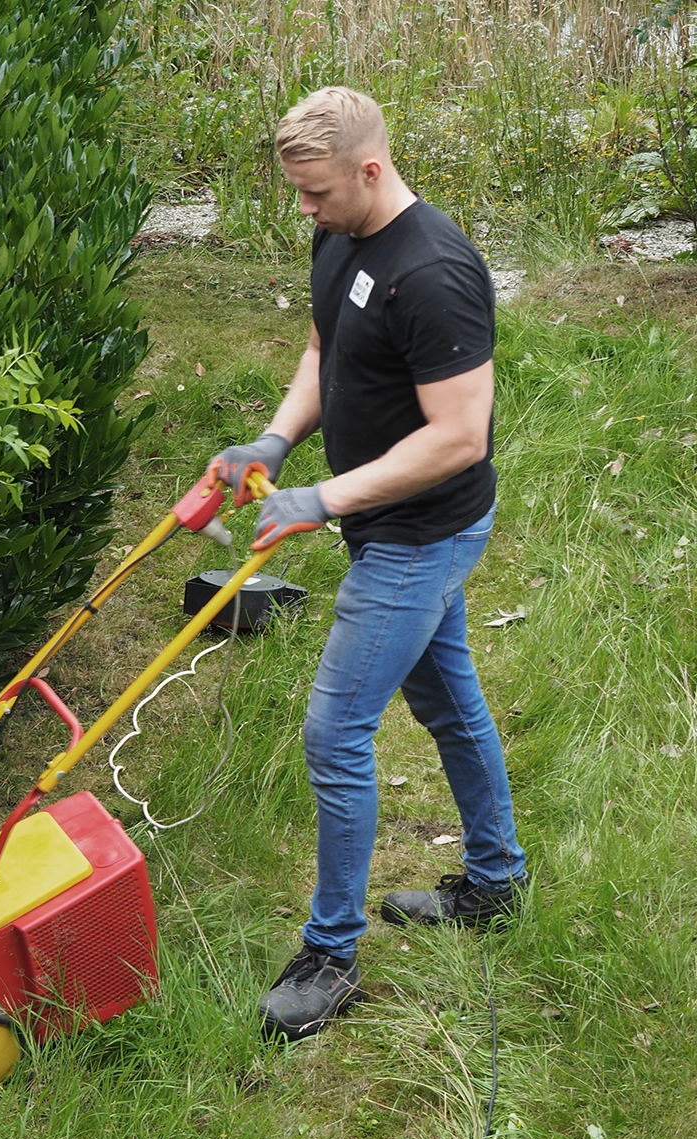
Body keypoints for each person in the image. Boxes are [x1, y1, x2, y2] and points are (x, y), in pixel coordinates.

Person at [207, 87, 528, 1043]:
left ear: (371, 170)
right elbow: (325, 349)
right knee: (446, 700)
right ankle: (496, 882)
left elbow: (459, 437)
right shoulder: (341, 238)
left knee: (335, 732)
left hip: (422, 534)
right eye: (298, 195)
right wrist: (275, 442)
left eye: (315, 194)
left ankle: (331, 954)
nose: (304, 211)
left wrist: (324, 500)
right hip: (384, 526)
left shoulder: (433, 272)